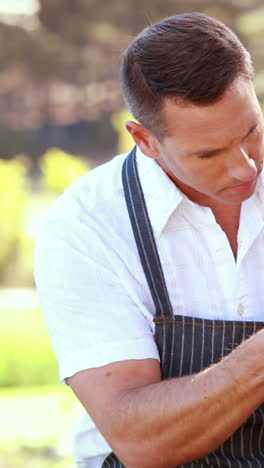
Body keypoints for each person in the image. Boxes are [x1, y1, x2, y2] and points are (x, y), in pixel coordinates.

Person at [34, 11, 264, 468]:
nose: (246, 168)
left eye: (253, 131)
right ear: (145, 139)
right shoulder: (88, 225)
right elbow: (141, 442)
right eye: (208, 153)